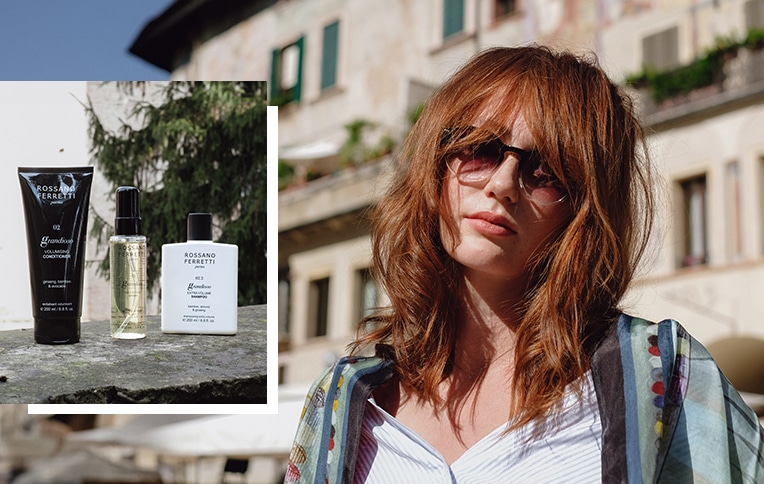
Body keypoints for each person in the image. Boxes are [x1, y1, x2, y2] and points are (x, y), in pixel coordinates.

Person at [284, 45, 764, 483]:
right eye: (479, 149)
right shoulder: (342, 403)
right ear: (435, 166)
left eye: (546, 170)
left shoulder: (666, 381)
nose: (503, 184)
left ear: (584, 208)